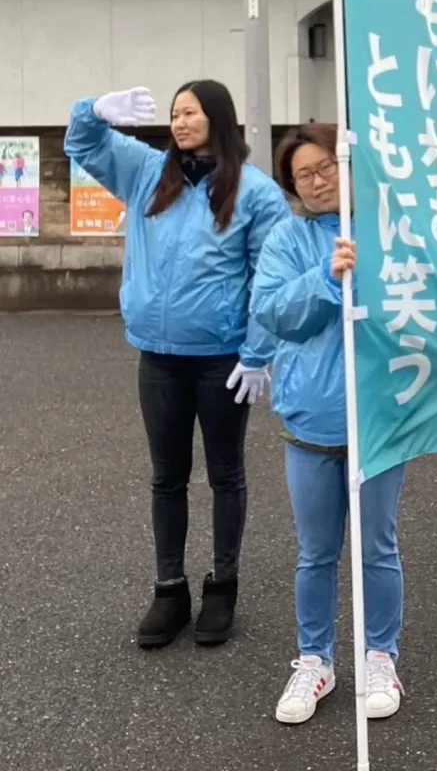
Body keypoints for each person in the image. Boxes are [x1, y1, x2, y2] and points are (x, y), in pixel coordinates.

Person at [64, 81, 291, 648]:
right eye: (174, 113)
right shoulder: (146, 170)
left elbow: (270, 277)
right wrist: (91, 111)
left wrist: (260, 351)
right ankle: (169, 588)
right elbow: (83, 145)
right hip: (158, 358)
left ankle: (223, 585)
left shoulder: (254, 193)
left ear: (218, 117)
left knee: (224, 474)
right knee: (166, 478)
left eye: (190, 111)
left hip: (223, 359)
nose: (180, 120)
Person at [248, 123, 407, 726]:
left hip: (378, 418)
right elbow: (272, 311)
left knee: (378, 549)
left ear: (346, 165)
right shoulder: (287, 239)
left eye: (325, 168)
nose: (316, 183)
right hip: (311, 422)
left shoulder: (384, 228)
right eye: (302, 176)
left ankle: (379, 654)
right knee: (316, 553)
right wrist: (324, 279)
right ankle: (315, 659)